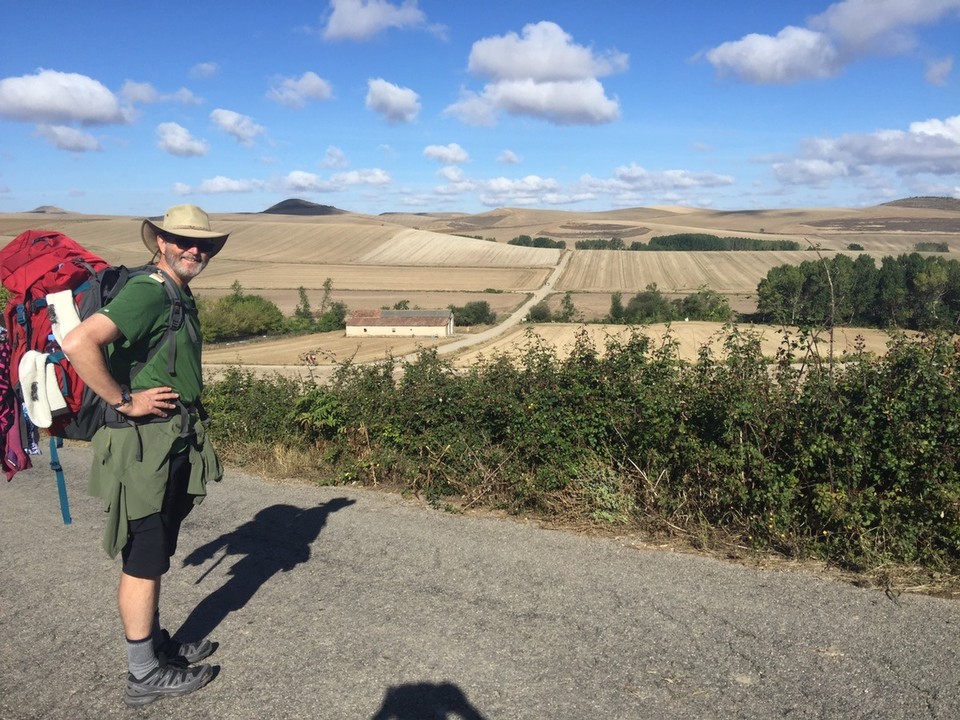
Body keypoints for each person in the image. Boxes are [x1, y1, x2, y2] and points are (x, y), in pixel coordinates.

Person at [62, 204, 228, 707]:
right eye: (182, 240)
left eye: (204, 244)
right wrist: (124, 400)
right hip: (142, 449)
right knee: (144, 557)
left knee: (155, 553)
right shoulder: (149, 292)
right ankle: (143, 676)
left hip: (165, 442)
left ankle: (156, 646)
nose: (194, 249)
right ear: (160, 241)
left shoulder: (178, 292)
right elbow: (78, 342)